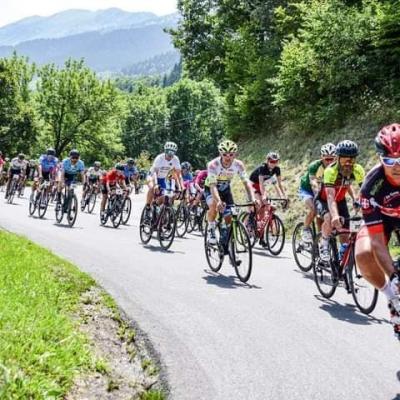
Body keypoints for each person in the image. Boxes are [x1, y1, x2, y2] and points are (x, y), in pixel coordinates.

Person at [355, 123, 400, 339]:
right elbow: (377, 244)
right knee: (363, 255)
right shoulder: (371, 186)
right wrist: (392, 277)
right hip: (383, 218)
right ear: (381, 158)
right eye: (390, 160)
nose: (397, 166)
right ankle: (391, 297)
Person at [315, 140, 364, 262]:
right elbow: (330, 196)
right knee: (329, 219)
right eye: (344, 159)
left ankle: (343, 257)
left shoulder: (357, 169)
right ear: (338, 158)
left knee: (345, 231)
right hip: (324, 200)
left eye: (352, 159)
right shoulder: (330, 171)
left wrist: (357, 200)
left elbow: (365, 190)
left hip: (341, 201)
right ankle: (324, 244)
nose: (348, 163)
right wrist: (335, 216)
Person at [205, 139, 255, 244]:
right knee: (213, 206)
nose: (228, 157)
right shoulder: (213, 164)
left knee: (230, 217)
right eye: (225, 154)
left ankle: (228, 241)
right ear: (220, 154)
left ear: (235, 154)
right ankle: (211, 228)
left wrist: (253, 199)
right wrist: (218, 201)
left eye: (231, 154)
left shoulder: (239, 165)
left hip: (225, 188)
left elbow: (247, 183)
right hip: (211, 188)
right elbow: (213, 186)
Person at [298, 143, 337, 243]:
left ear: (335, 158)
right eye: (326, 159)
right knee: (314, 209)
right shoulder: (314, 166)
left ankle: (320, 241)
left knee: (324, 215)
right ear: (321, 157)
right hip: (307, 189)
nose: (329, 162)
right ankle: (305, 229)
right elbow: (313, 183)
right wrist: (318, 196)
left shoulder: (336, 168)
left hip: (323, 190)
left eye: (331, 159)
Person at [145, 141, 183, 210]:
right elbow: (155, 173)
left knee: (165, 196)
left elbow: (178, 175)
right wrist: (156, 184)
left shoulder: (175, 159)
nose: (170, 157)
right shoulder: (159, 158)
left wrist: (180, 187)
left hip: (162, 179)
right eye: (168, 154)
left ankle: (156, 206)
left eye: (172, 154)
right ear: (165, 151)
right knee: (152, 188)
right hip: (152, 176)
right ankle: (147, 206)